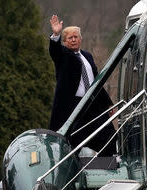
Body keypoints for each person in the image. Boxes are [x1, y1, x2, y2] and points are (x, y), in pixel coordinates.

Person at [48, 15, 116, 155]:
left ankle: (109, 168)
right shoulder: (63, 55)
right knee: (69, 145)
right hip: (73, 109)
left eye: (76, 37)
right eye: (70, 38)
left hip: (93, 106)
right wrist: (56, 34)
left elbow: (96, 81)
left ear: (80, 39)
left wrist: (108, 103)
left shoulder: (88, 56)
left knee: (109, 138)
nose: (73, 40)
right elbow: (54, 50)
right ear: (65, 41)